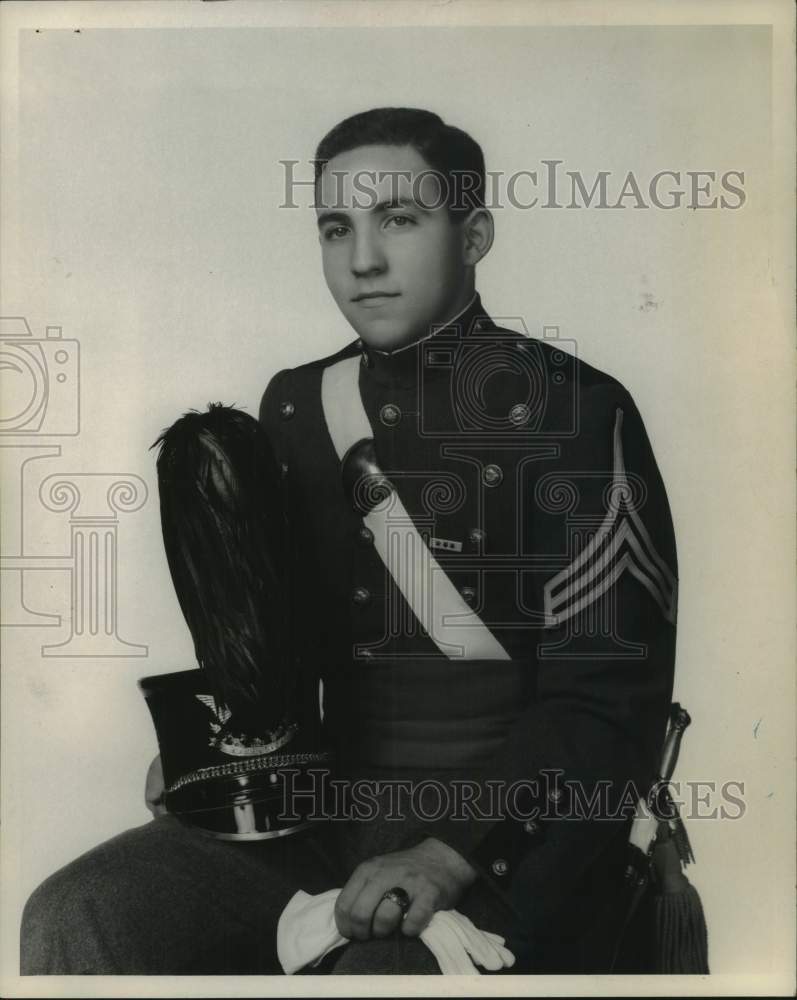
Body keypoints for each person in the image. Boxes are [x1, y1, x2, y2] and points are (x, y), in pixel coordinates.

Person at [20, 107, 678, 976]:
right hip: (327, 817)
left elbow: (607, 709)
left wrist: (449, 854)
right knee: (80, 911)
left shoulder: (579, 412)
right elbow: (282, 654)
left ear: (474, 234)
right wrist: (223, 756)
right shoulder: (297, 406)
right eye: (337, 228)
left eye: (398, 220)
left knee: (382, 976)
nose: (362, 259)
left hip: (524, 835)